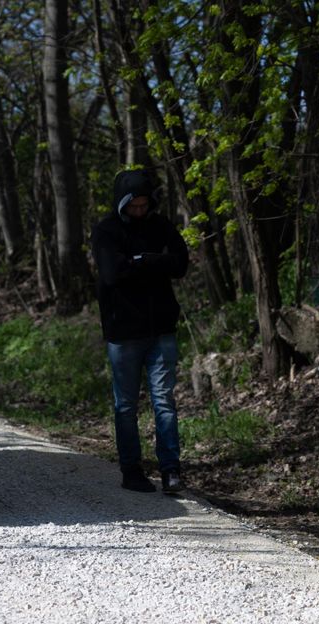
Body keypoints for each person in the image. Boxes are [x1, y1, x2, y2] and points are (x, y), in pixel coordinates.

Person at [91, 169, 189, 494]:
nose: (139, 211)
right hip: (123, 332)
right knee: (126, 405)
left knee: (164, 400)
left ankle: (171, 470)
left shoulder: (160, 225)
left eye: (144, 205)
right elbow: (111, 273)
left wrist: (140, 262)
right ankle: (131, 470)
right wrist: (149, 263)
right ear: (122, 204)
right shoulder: (106, 231)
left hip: (161, 327)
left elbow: (180, 262)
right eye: (133, 206)